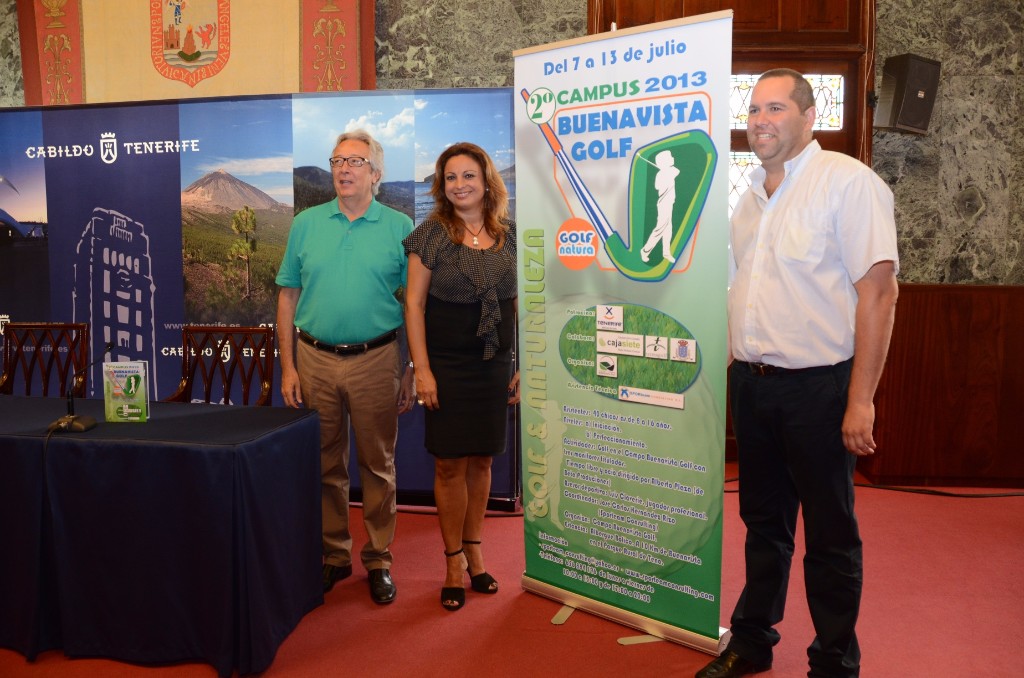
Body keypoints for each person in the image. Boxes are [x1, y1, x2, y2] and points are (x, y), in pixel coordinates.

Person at [696, 69, 899, 678]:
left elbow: (880, 294)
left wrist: (860, 400)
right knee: (763, 524)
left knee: (830, 535)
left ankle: (834, 663)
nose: (760, 120)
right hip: (752, 386)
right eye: (754, 109)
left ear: (810, 117)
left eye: (776, 108)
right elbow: (744, 292)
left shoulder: (848, 183)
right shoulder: (748, 198)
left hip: (820, 390)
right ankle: (752, 642)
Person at [276, 129, 415, 605]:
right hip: (314, 360)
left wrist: (411, 366)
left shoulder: (400, 227)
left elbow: (414, 304)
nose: (343, 169)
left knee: (379, 465)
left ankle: (378, 559)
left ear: (376, 174)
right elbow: (288, 296)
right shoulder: (305, 224)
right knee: (324, 464)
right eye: (337, 160)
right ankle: (334, 555)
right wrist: (289, 367)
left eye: (355, 161)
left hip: (378, 360)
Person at [403, 142, 519, 612]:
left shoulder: (512, 235)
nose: (459, 185)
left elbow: (520, 303)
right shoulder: (429, 235)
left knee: (483, 463)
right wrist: (423, 371)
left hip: (494, 365)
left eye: (468, 175)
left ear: (487, 181)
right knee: (450, 465)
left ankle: (476, 553)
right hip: (446, 367)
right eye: (450, 177)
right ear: (441, 185)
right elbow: (413, 306)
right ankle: (452, 561)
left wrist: (521, 365)